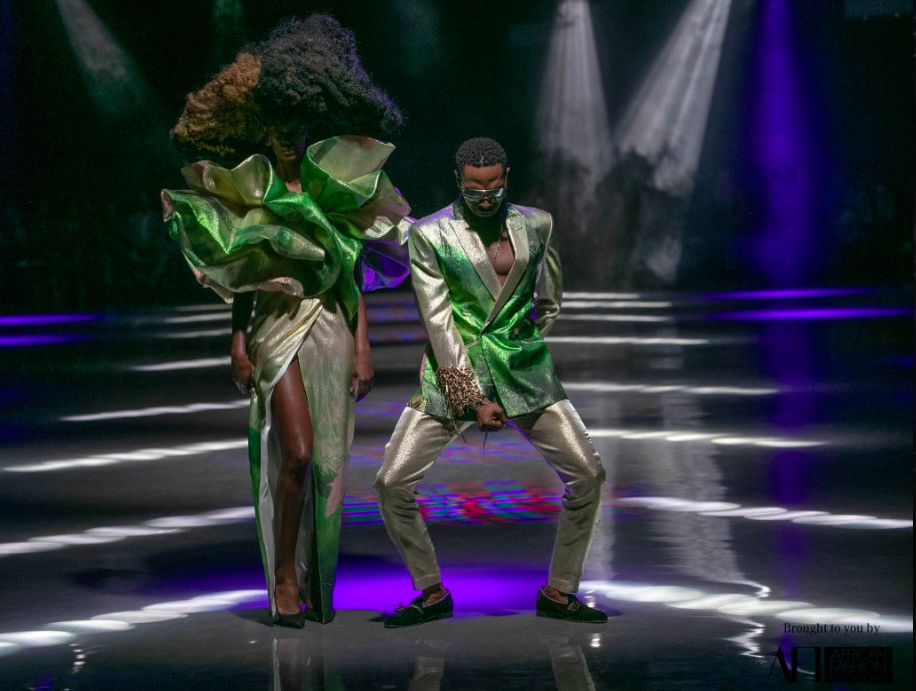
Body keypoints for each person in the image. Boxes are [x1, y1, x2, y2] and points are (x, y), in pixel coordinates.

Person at [161, 15, 409, 628]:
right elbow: (244, 273)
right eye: (276, 125)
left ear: (310, 122)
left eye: (296, 124)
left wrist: (364, 346)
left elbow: (350, 271)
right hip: (274, 326)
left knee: (328, 462)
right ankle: (284, 576)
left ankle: (316, 575)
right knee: (295, 451)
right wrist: (237, 340)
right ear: (261, 127)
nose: (287, 136)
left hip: (331, 322)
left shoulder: (335, 185)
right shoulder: (253, 189)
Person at [374, 137, 607, 627]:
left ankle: (560, 590)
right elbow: (438, 321)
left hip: (523, 369)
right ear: (458, 181)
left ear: (506, 178)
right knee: (391, 482)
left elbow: (550, 301)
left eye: (494, 188)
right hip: (453, 372)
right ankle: (430, 591)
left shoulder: (537, 224)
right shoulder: (430, 233)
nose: (485, 198)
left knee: (588, 476)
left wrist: (517, 345)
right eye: (475, 189)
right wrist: (473, 397)